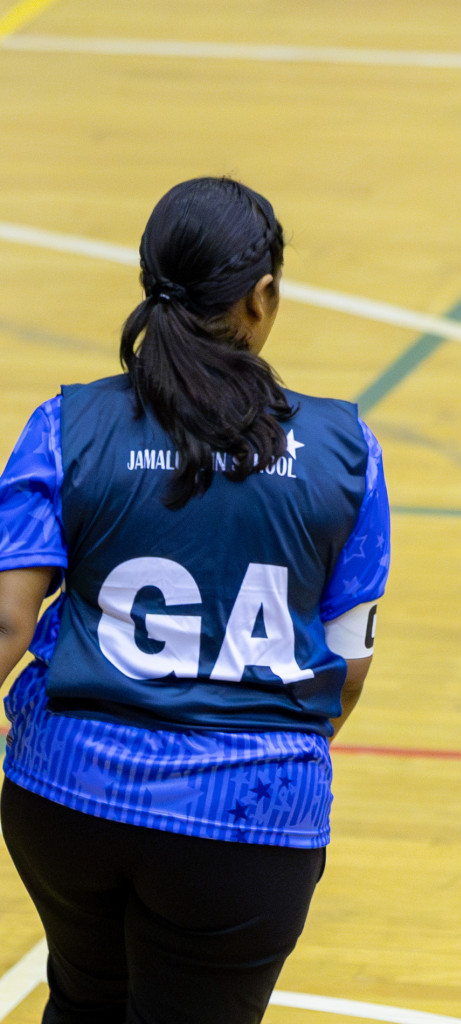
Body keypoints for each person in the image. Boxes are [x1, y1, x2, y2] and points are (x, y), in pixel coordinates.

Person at [0, 176, 390, 1024]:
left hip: (64, 798)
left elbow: (6, 623)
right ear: (263, 296)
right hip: (244, 819)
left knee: (83, 1000)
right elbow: (348, 671)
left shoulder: (67, 425)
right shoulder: (344, 450)